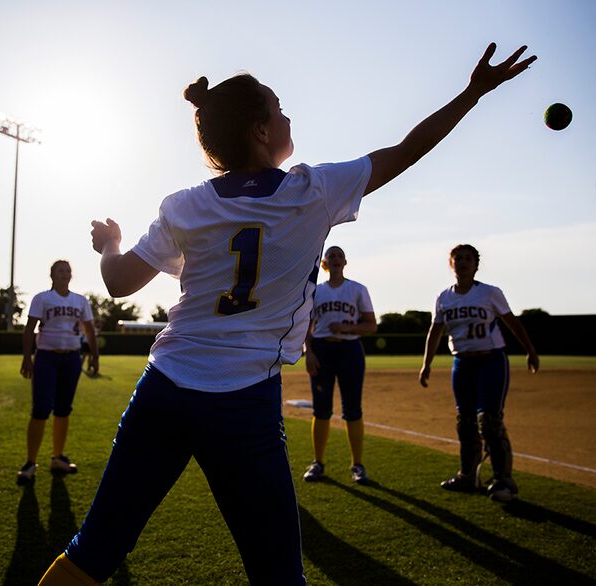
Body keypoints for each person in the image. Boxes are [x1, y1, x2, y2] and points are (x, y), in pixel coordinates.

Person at [39, 43, 537, 585]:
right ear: (259, 130)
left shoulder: (185, 205)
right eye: (278, 108)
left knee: (92, 552)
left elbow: (118, 281)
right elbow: (407, 149)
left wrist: (111, 242)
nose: (288, 115)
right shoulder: (312, 191)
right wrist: (472, 93)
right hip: (244, 402)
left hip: (164, 389)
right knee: (277, 575)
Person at [419, 244, 539, 502]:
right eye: (458, 258)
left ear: (476, 264)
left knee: (489, 420)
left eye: (468, 258)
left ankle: (503, 480)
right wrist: (426, 364)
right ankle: (468, 475)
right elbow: (435, 332)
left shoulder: (489, 293)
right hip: (461, 363)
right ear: (451, 264)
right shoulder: (444, 297)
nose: (463, 262)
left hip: (490, 360)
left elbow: (513, 323)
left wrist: (530, 350)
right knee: (465, 422)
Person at [18, 260, 99, 480]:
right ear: (51, 275)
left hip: (72, 357)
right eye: (60, 271)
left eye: (68, 271)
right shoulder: (42, 298)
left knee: (64, 409)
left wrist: (94, 355)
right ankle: (30, 462)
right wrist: (27, 357)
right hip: (46, 357)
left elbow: (89, 330)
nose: (64, 274)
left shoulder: (80, 300)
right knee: (41, 408)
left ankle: (58, 457)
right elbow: (29, 329)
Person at [302, 246, 376, 485]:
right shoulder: (315, 291)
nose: (335, 258)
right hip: (322, 350)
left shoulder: (357, 289)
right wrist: (309, 352)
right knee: (321, 410)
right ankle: (318, 462)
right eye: (330, 255)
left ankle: (357, 465)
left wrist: (347, 328)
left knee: (353, 409)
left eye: (339, 255)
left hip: (349, 350)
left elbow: (371, 325)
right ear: (324, 263)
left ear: (345, 262)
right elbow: (306, 328)